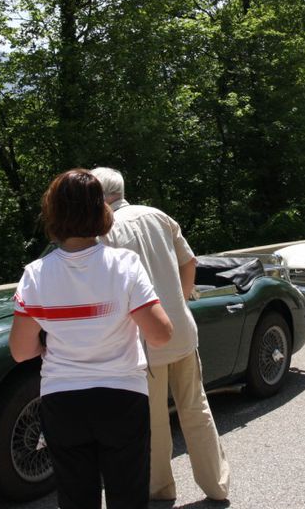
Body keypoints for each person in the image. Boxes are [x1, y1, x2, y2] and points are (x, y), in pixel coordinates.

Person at [9, 168, 174, 509]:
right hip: (123, 397)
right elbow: (160, 335)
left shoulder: (35, 275)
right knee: (128, 495)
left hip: (63, 400)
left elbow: (20, 351)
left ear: (53, 213)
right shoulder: (125, 264)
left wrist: (47, 343)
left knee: (75, 497)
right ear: (102, 210)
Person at [92, 167, 231, 503]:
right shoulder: (158, 215)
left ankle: (161, 490)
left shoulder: (103, 232)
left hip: (144, 343)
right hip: (182, 332)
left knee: (153, 421)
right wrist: (179, 301)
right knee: (196, 410)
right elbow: (190, 261)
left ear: (100, 197)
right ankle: (217, 485)